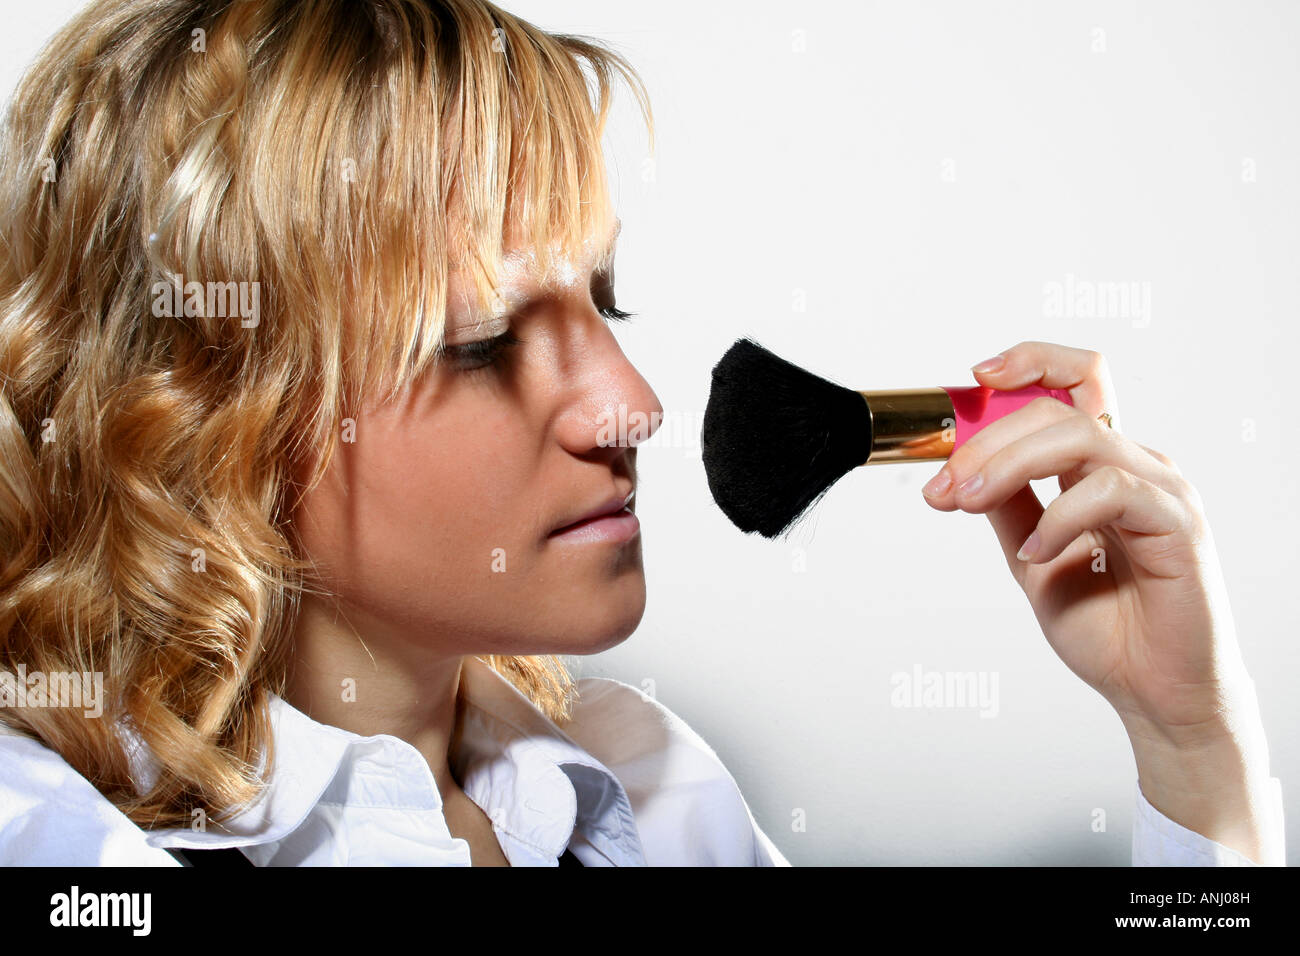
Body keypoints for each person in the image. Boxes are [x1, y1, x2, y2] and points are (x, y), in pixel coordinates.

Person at [0, 0, 1283, 866]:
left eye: (605, 302)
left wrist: (1191, 752)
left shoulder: (654, 790)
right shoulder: (53, 840)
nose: (635, 405)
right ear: (200, 406)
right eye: (486, 340)